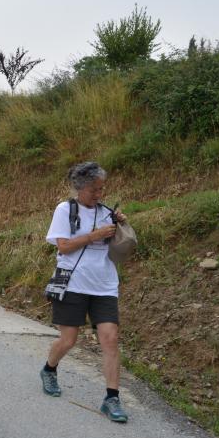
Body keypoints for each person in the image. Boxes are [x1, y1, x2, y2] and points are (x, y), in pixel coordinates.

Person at [40, 161, 130, 423]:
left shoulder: (106, 211)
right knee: (68, 340)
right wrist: (94, 235)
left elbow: (118, 243)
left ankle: (112, 398)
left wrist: (120, 225)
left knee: (110, 338)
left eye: (102, 189)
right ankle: (49, 369)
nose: (99, 194)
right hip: (72, 283)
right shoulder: (64, 210)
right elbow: (64, 246)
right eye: (94, 190)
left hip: (104, 284)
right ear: (80, 188)